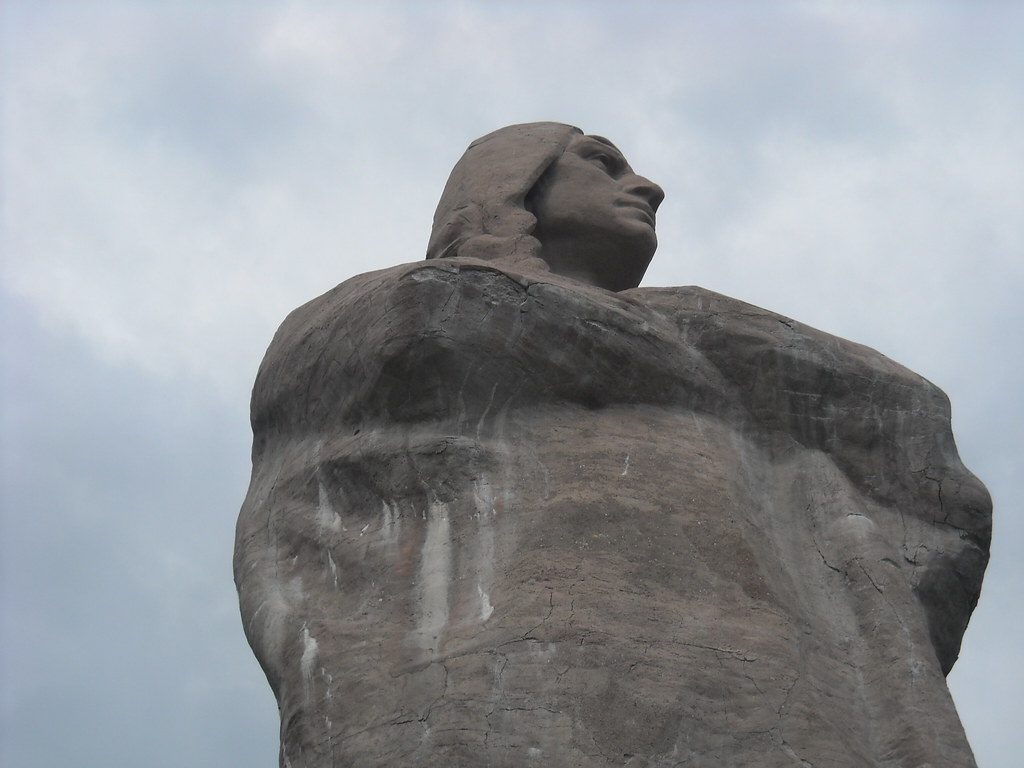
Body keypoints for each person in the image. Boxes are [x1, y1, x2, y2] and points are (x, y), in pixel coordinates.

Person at [236, 123, 990, 767]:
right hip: (500, 667)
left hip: (777, 680)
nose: (649, 186)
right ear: (513, 188)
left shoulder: (732, 348)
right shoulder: (377, 310)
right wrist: (703, 363)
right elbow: (420, 328)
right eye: (604, 162)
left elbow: (913, 446)